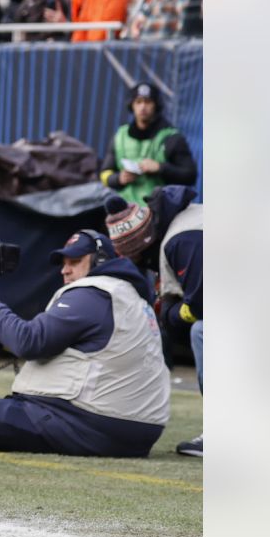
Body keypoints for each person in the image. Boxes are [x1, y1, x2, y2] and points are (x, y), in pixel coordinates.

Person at [0, 230, 170, 457]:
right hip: (139, 430)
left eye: (75, 261)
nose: (65, 270)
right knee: (1, 410)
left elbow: (29, 342)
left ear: (99, 261)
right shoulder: (130, 297)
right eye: (63, 263)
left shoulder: (93, 292)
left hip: (96, 423)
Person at [104, 186, 203, 456]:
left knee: (202, 331)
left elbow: (203, 302)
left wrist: (171, 315)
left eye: (136, 257)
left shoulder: (182, 239)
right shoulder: (179, 227)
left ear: (143, 244)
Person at [100, 82, 198, 206]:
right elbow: (104, 174)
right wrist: (118, 178)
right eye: (138, 102)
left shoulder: (171, 137)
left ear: (156, 105)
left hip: (161, 210)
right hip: (127, 211)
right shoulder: (120, 137)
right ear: (132, 105)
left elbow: (190, 176)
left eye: (148, 102)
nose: (143, 107)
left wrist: (160, 168)